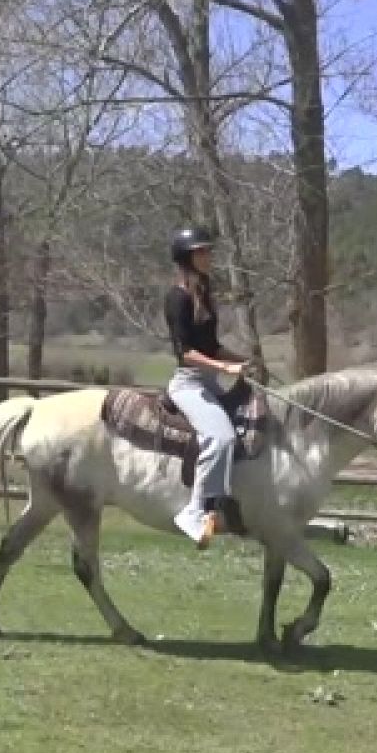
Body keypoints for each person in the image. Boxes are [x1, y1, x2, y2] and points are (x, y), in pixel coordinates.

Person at [163, 226, 253, 548]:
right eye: (201, 252)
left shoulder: (204, 294)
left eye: (208, 251)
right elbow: (186, 353)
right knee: (221, 437)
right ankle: (195, 509)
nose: (208, 257)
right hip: (190, 383)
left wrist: (242, 360)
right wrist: (224, 367)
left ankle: (231, 504)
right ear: (187, 258)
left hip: (212, 379)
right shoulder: (177, 297)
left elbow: (212, 346)